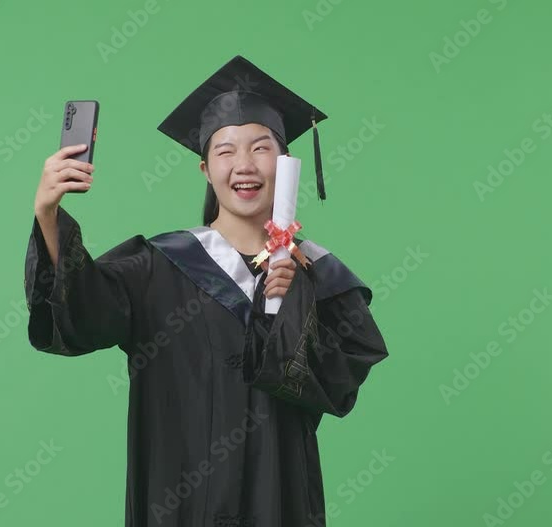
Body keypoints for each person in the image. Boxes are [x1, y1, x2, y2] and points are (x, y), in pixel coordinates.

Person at [23, 55, 388, 527]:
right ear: (205, 170)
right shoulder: (156, 265)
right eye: (226, 151)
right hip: (179, 501)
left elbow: (337, 384)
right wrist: (49, 216)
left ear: (285, 163)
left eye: (261, 148)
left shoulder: (316, 275)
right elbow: (81, 315)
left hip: (278, 499)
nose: (244, 165)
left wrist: (292, 304)